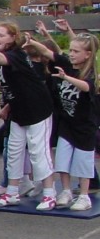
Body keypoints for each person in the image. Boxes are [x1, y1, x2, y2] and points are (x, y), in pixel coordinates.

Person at [0, 22, 57, 210]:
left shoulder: (17, 55)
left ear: (13, 38)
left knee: (39, 153)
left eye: (1, 35)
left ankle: (49, 194)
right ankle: (12, 192)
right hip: (18, 111)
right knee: (13, 153)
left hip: (38, 110)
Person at [30, 32, 98, 210]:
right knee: (62, 160)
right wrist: (33, 43)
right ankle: (66, 191)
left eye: (76, 51)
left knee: (83, 163)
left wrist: (66, 78)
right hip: (67, 123)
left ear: (88, 54)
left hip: (84, 126)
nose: (72, 54)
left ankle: (84, 196)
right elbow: (47, 52)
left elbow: (85, 87)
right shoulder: (66, 64)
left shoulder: (90, 73)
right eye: (71, 50)